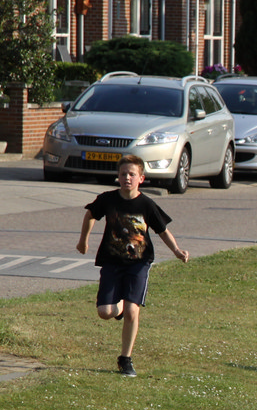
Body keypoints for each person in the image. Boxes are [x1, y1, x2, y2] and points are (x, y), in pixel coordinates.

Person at [75, 154, 190, 377]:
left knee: (132, 310)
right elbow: (90, 215)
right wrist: (83, 241)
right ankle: (118, 306)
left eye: (131, 174)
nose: (127, 178)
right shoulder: (108, 200)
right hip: (111, 261)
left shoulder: (146, 204)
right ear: (118, 177)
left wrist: (177, 250)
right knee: (104, 312)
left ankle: (125, 359)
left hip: (139, 263)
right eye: (123, 174)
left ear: (141, 178)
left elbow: (163, 231)